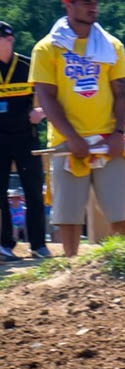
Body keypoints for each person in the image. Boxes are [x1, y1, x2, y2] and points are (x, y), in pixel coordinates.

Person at [31, 0, 125, 257]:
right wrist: (73, 138)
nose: (94, 7)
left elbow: (122, 93)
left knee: (119, 211)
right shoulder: (46, 49)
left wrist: (118, 132)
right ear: (68, 5)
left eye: (96, 2)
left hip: (107, 140)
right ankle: (71, 271)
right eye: (87, 2)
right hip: (67, 142)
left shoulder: (112, 45)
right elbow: (47, 98)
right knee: (68, 215)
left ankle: (122, 264)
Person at [0, 21, 50, 260]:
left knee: (33, 191)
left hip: (26, 138)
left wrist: (41, 112)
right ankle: (5, 245)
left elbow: (49, 97)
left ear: (9, 40)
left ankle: (38, 245)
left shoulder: (28, 66)